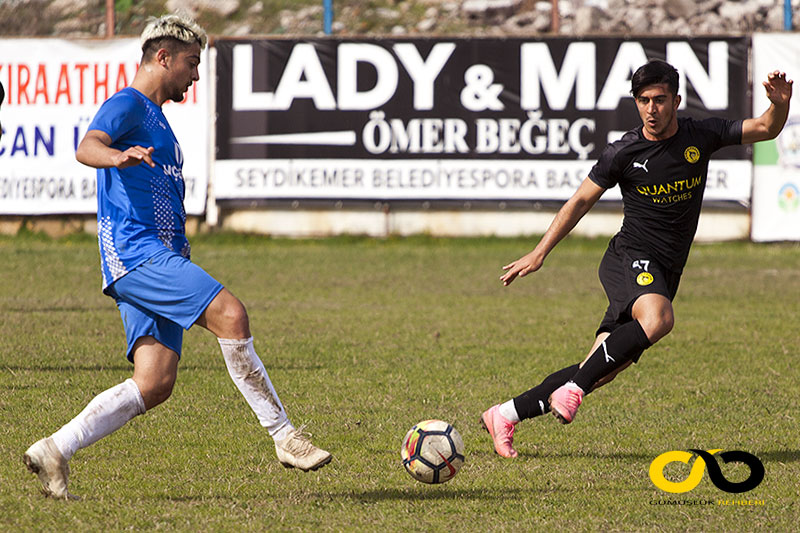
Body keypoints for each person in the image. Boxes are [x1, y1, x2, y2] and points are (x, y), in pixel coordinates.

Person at [23, 13, 331, 500]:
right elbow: (88, 146)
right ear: (161, 57)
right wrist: (116, 157)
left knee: (156, 382)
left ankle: (55, 449)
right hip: (137, 253)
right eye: (191, 62)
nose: (196, 73)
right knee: (232, 314)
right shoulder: (128, 104)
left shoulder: (157, 118)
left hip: (151, 256)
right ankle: (284, 435)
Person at [480, 59, 793, 458]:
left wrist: (780, 103)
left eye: (659, 100)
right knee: (658, 320)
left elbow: (765, 127)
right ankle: (573, 390)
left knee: (602, 367)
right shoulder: (624, 152)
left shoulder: (702, 134)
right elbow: (579, 201)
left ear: (676, 100)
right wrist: (540, 252)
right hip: (630, 257)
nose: (651, 109)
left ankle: (504, 414)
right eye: (643, 100)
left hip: (666, 268)